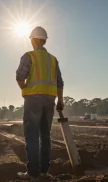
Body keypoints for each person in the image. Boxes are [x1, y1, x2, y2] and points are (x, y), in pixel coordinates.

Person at [16, 26, 64, 181]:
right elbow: (60, 83)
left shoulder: (29, 56)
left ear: (34, 40)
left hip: (33, 100)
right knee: (45, 136)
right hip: (50, 101)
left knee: (32, 136)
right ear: (44, 40)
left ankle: (33, 174)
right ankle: (44, 171)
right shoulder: (53, 59)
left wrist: (24, 87)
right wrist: (60, 101)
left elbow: (20, 77)